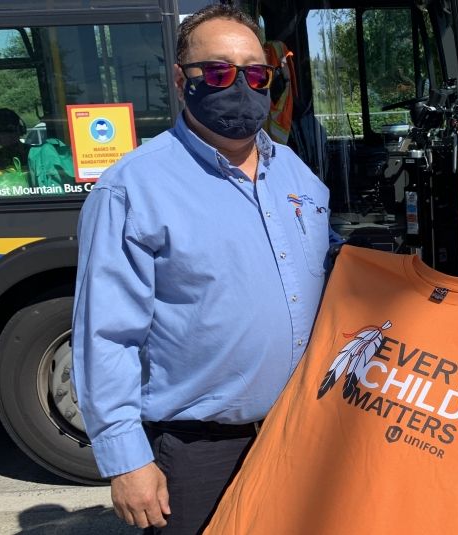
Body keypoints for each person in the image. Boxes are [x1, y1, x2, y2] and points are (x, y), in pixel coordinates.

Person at [72, 5, 332, 534]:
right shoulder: (132, 189)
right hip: (199, 452)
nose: (240, 86)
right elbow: (106, 336)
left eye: (256, 74)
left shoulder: (296, 172)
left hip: (305, 429)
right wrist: (127, 460)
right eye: (217, 72)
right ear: (179, 79)